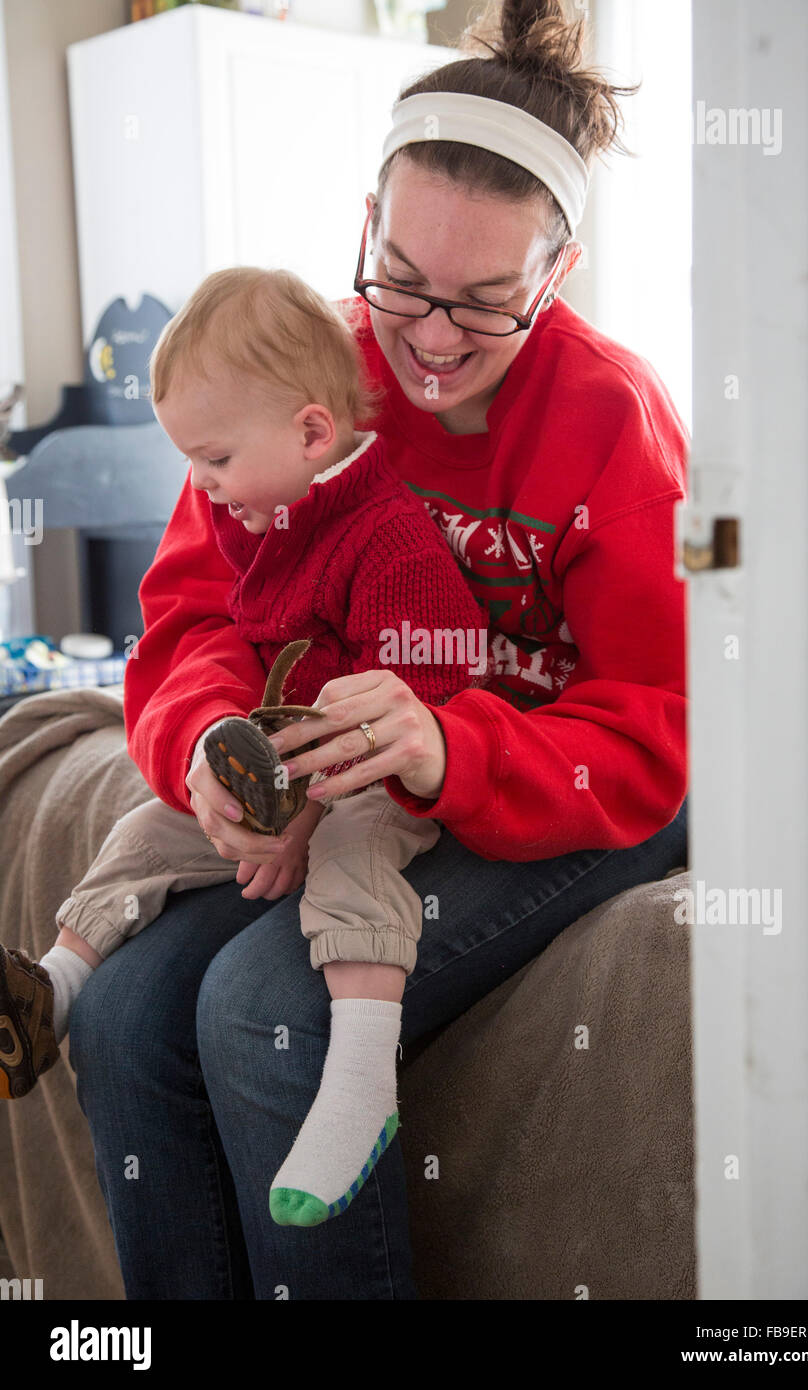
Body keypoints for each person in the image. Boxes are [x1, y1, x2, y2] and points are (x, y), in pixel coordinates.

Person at [66, 0, 687, 1299]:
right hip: (355, 779)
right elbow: (191, 615)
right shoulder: (304, 372)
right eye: (399, 278)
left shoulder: (611, 425)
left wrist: (448, 746)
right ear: (365, 221)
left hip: (563, 787)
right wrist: (209, 755)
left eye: (486, 300)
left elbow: (647, 735)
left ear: (557, 272)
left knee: (258, 1010)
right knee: (124, 1016)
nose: (430, 338)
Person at [0, 266, 494, 1230]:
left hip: (371, 782)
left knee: (356, 858)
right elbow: (207, 633)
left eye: (214, 458)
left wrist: (323, 791)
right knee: (149, 826)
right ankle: (54, 988)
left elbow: (430, 698)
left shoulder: (387, 537)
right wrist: (240, 776)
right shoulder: (264, 519)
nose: (201, 485)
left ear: (312, 433)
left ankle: (360, 1081)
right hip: (284, 768)